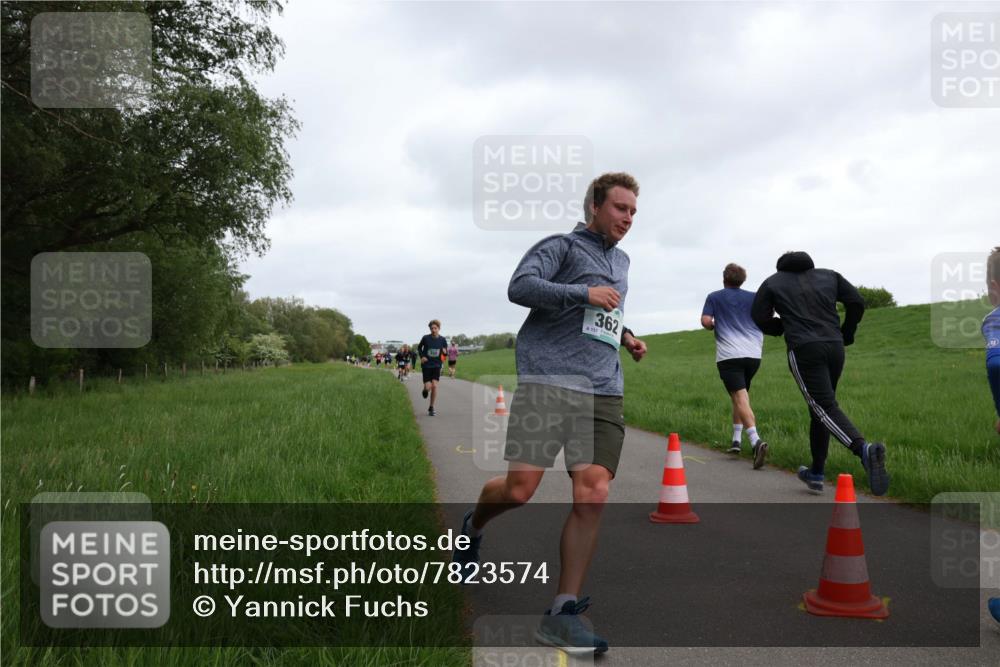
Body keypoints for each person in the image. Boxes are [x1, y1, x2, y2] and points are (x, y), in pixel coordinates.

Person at [451, 173, 648, 655]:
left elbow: (608, 311)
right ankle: (473, 527)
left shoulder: (622, 261)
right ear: (595, 206)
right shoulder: (560, 246)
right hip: (548, 381)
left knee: (593, 491)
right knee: (519, 490)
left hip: (603, 389)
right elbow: (520, 287)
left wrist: (626, 336)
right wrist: (583, 293)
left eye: (633, 212)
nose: (628, 218)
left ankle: (562, 611)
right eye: (620, 208)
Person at [751, 251, 889, 496]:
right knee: (820, 409)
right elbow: (856, 301)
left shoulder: (772, 282)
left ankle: (864, 450)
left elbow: (759, 316)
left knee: (823, 407)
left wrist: (781, 326)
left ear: (781, 267)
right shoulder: (830, 276)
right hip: (835, 347)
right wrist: (847, 332)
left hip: (804, 348)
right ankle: (816, 472)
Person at [701, 263, 769, 468]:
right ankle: (736, 441)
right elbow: (766, 316)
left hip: (730, 356)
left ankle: (756, 441)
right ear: (742, 279)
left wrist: (713, 325)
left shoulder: (714, 297)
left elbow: (705, 321)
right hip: (754, 355)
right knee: (740, 397)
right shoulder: (754, 297)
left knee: (739, 397)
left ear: (724, 279)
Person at [418, 320, 448, 416]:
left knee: (434, 386)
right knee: (428, 387)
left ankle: (431, 407)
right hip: (426, 365)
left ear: (439, 328)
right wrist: (422, 356)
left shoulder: (442, 340)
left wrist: (444, 353)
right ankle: (425, 390)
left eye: (435, 328)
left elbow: (445, 353)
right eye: (432, 328)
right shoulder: (425, 338)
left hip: (436, 365)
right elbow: (419, 348)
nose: (433, 330)